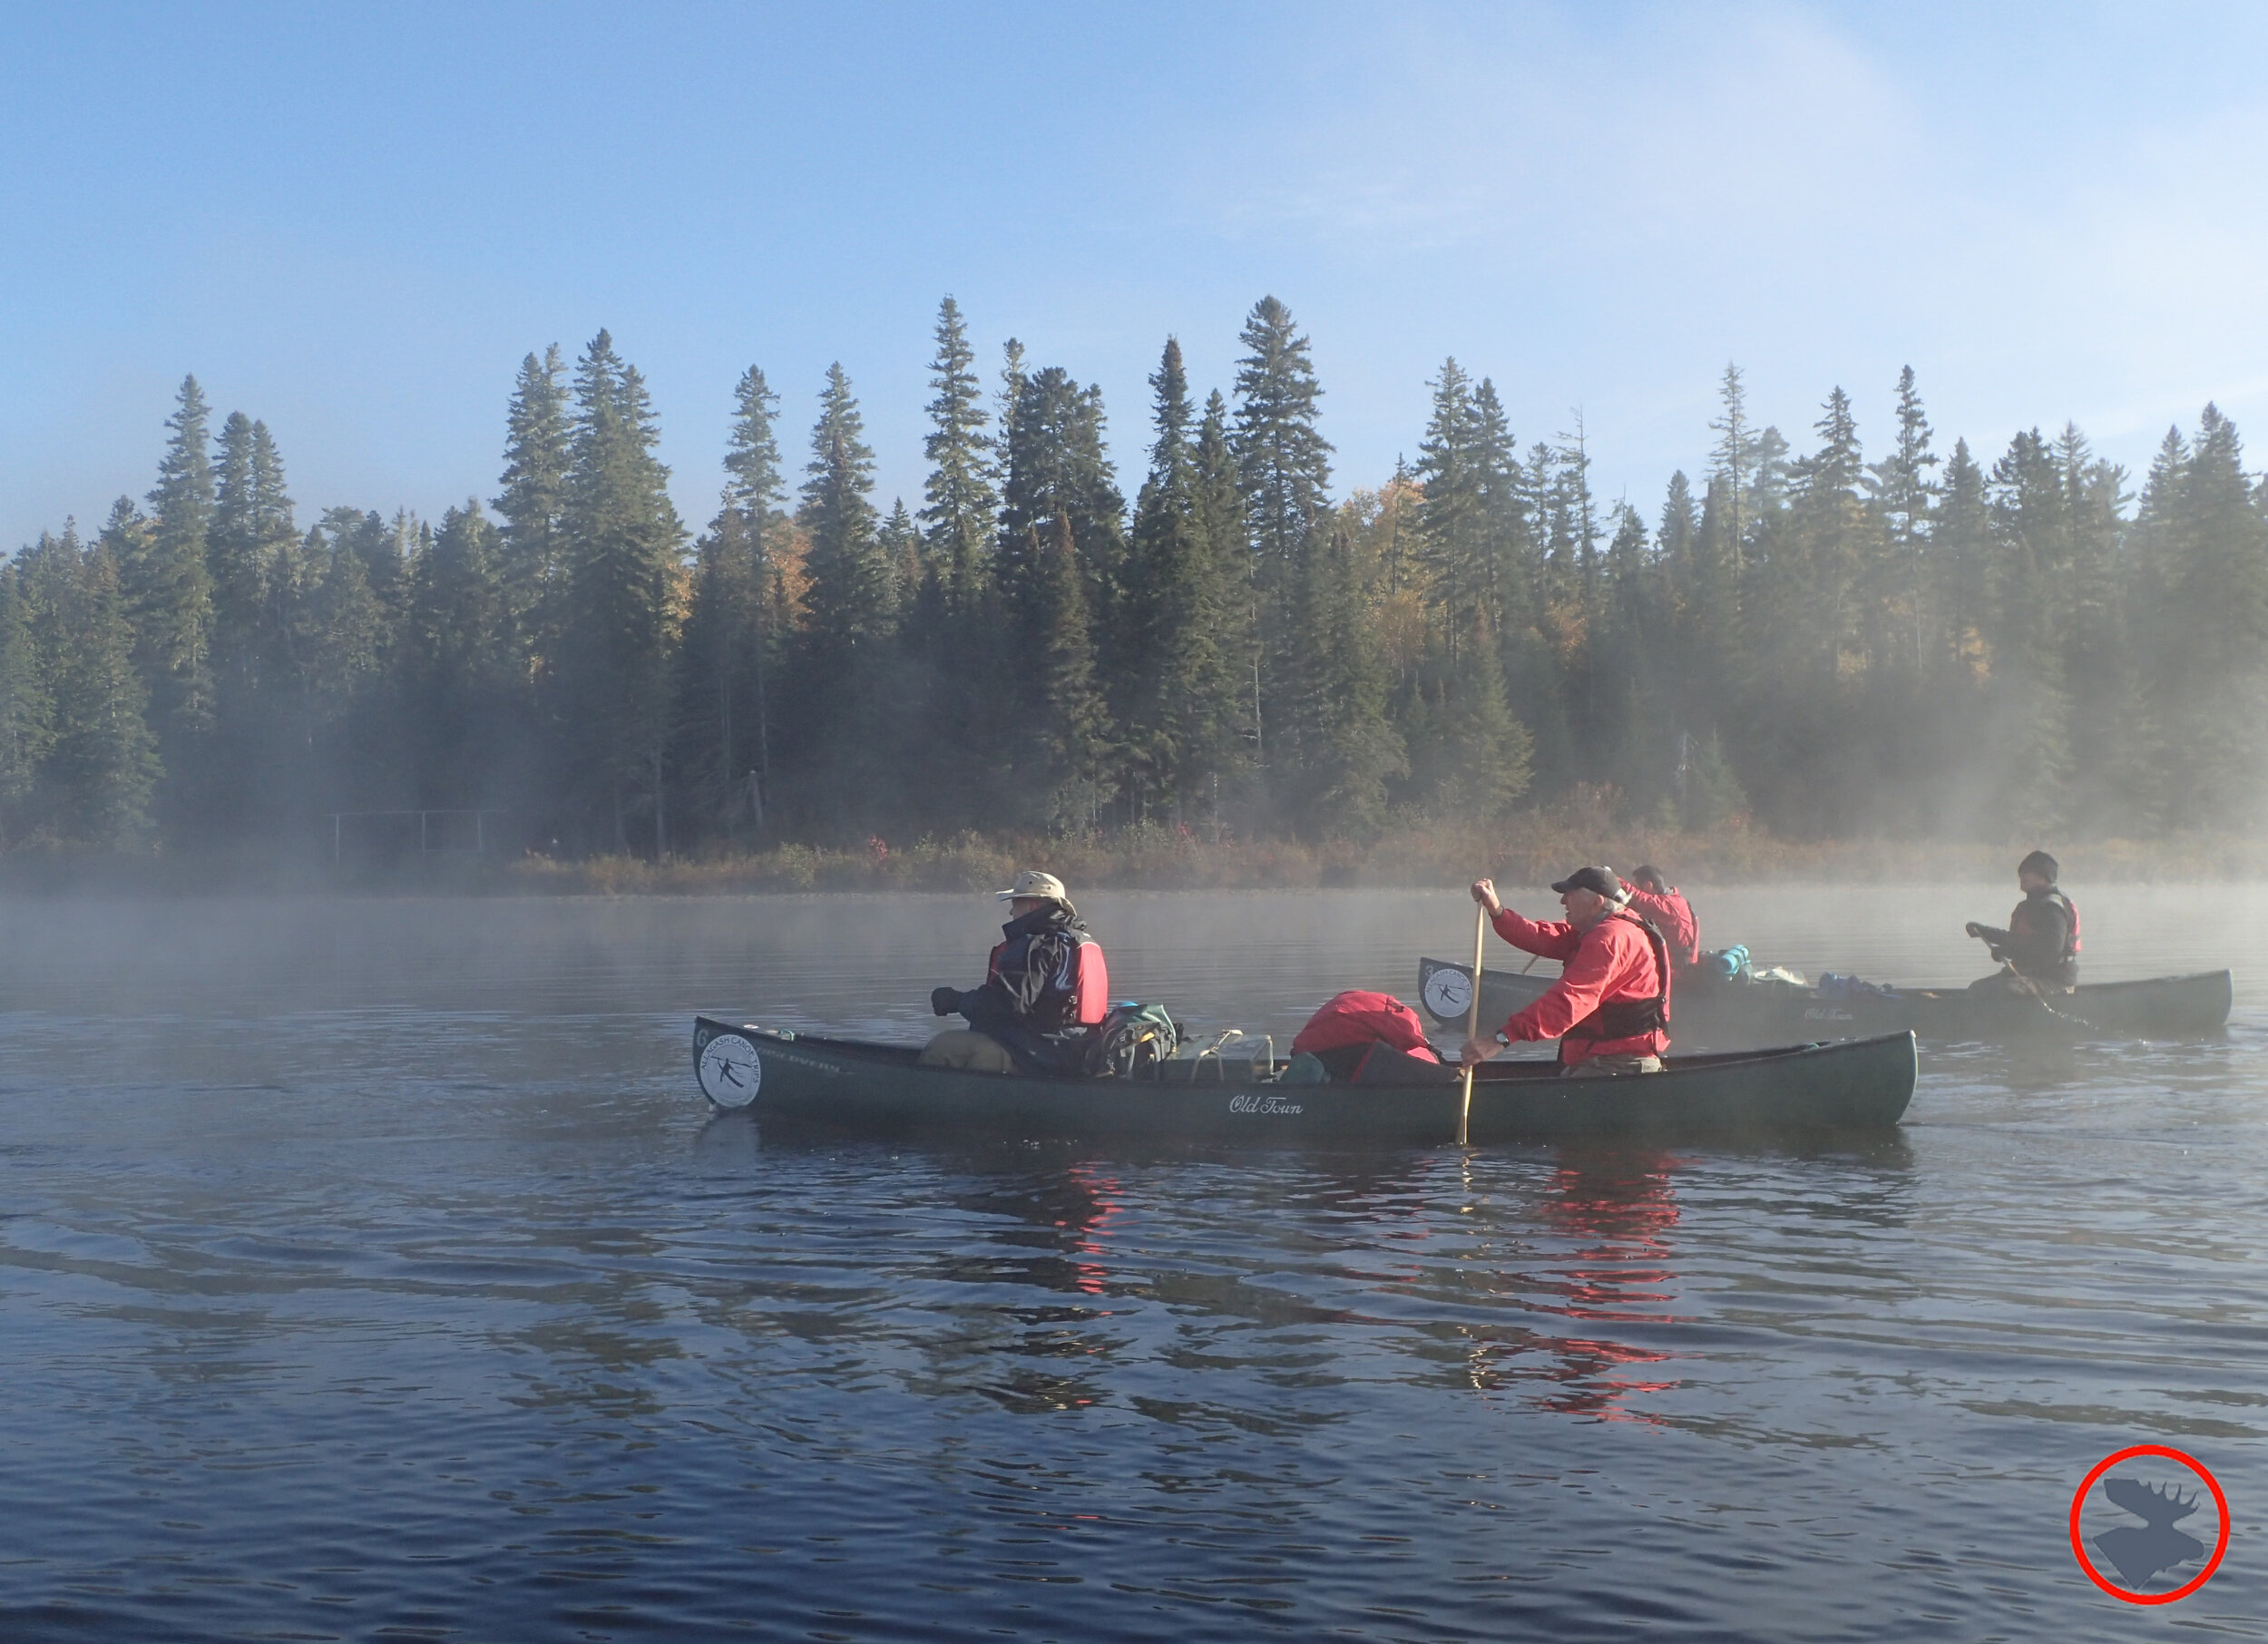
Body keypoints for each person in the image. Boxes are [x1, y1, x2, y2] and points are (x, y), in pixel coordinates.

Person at [1461, 866, 1672, 1076]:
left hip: (1616, 1064)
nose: (1563, 901)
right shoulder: (1599, 928)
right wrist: (1496, 910)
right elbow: (1543, 937)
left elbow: (1569, 1001)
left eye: (1569, 895)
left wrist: (1501, 1039)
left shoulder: (1610, 938)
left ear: (1596, 902)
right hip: (1602, 1059)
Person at [921, 870, 1110, 1073]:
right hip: (1079, 1051)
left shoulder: (1037, 945)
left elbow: (1005, 1005)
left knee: (945, 1046)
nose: (1012, 912)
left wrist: (956, 1001)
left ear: (1033, 905)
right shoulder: (1080, 941)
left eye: (1015, 903)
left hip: (1044, 1055)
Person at [1965, 849, 2079, 991]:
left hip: (2054, 980)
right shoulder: (2034, 904)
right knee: (1976, 988)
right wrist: (1983, 931)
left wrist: (2010, 951)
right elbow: (2016, 939)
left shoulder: (2052, 908)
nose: (2021, 876)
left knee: (1983, 990)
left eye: (2027, 872)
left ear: (2043, 876)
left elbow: (2051, 949)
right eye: (2021, 872)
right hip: (2031, 974)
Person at [1624, 865, 1700, 968]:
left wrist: (1613, 881)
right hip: (1670, 966)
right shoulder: (1663, 904)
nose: (1634, 889)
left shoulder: (1671, 905)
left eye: (1635, 886)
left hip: (1679, 971)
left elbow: (1640, 899)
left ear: (1648, 886)